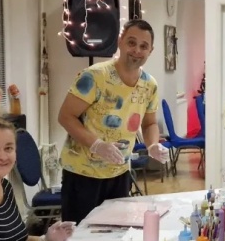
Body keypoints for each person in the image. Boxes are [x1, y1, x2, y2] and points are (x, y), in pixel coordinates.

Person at [58, 19, 168, 224]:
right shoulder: (95, 76)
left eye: (143, 46)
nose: (137, 50)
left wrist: (153, 145)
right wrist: (97, 145)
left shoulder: (149, 85)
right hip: (83, 174)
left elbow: (149, 123)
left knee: (116, 232)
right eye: (131, 43)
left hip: (119, 172)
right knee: (80, 235)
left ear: (150, 51)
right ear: (120, 41)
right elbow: (65, 116)